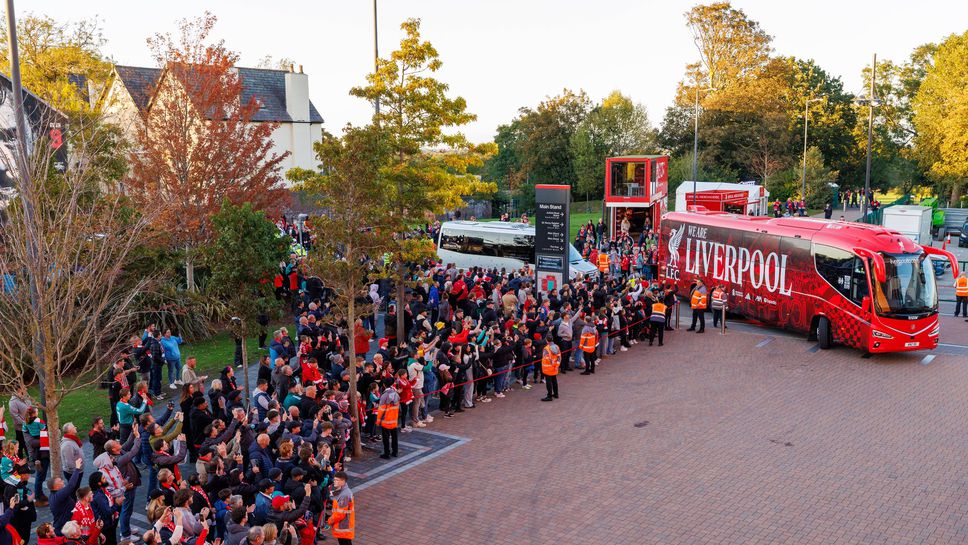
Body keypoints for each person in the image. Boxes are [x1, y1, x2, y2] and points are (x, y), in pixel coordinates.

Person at [326, 472, 355, 545]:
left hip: (343, 525)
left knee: (344, 542)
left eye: (337, 480)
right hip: (344, 524)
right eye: (334, 480)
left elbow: (340, 514)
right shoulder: (343, 491)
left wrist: (330, 520)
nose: (334, 481)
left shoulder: (344, 495)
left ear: (343, 481)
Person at [375, 381, 401, 460]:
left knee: (386, 439)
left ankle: (387, 453)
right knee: (394, 437)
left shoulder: (384, 396)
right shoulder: (396, 394)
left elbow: (381, 410)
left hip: (386, 421)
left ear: (384, 384)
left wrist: (378, 421)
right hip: (394, 420)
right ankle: (395, 452)